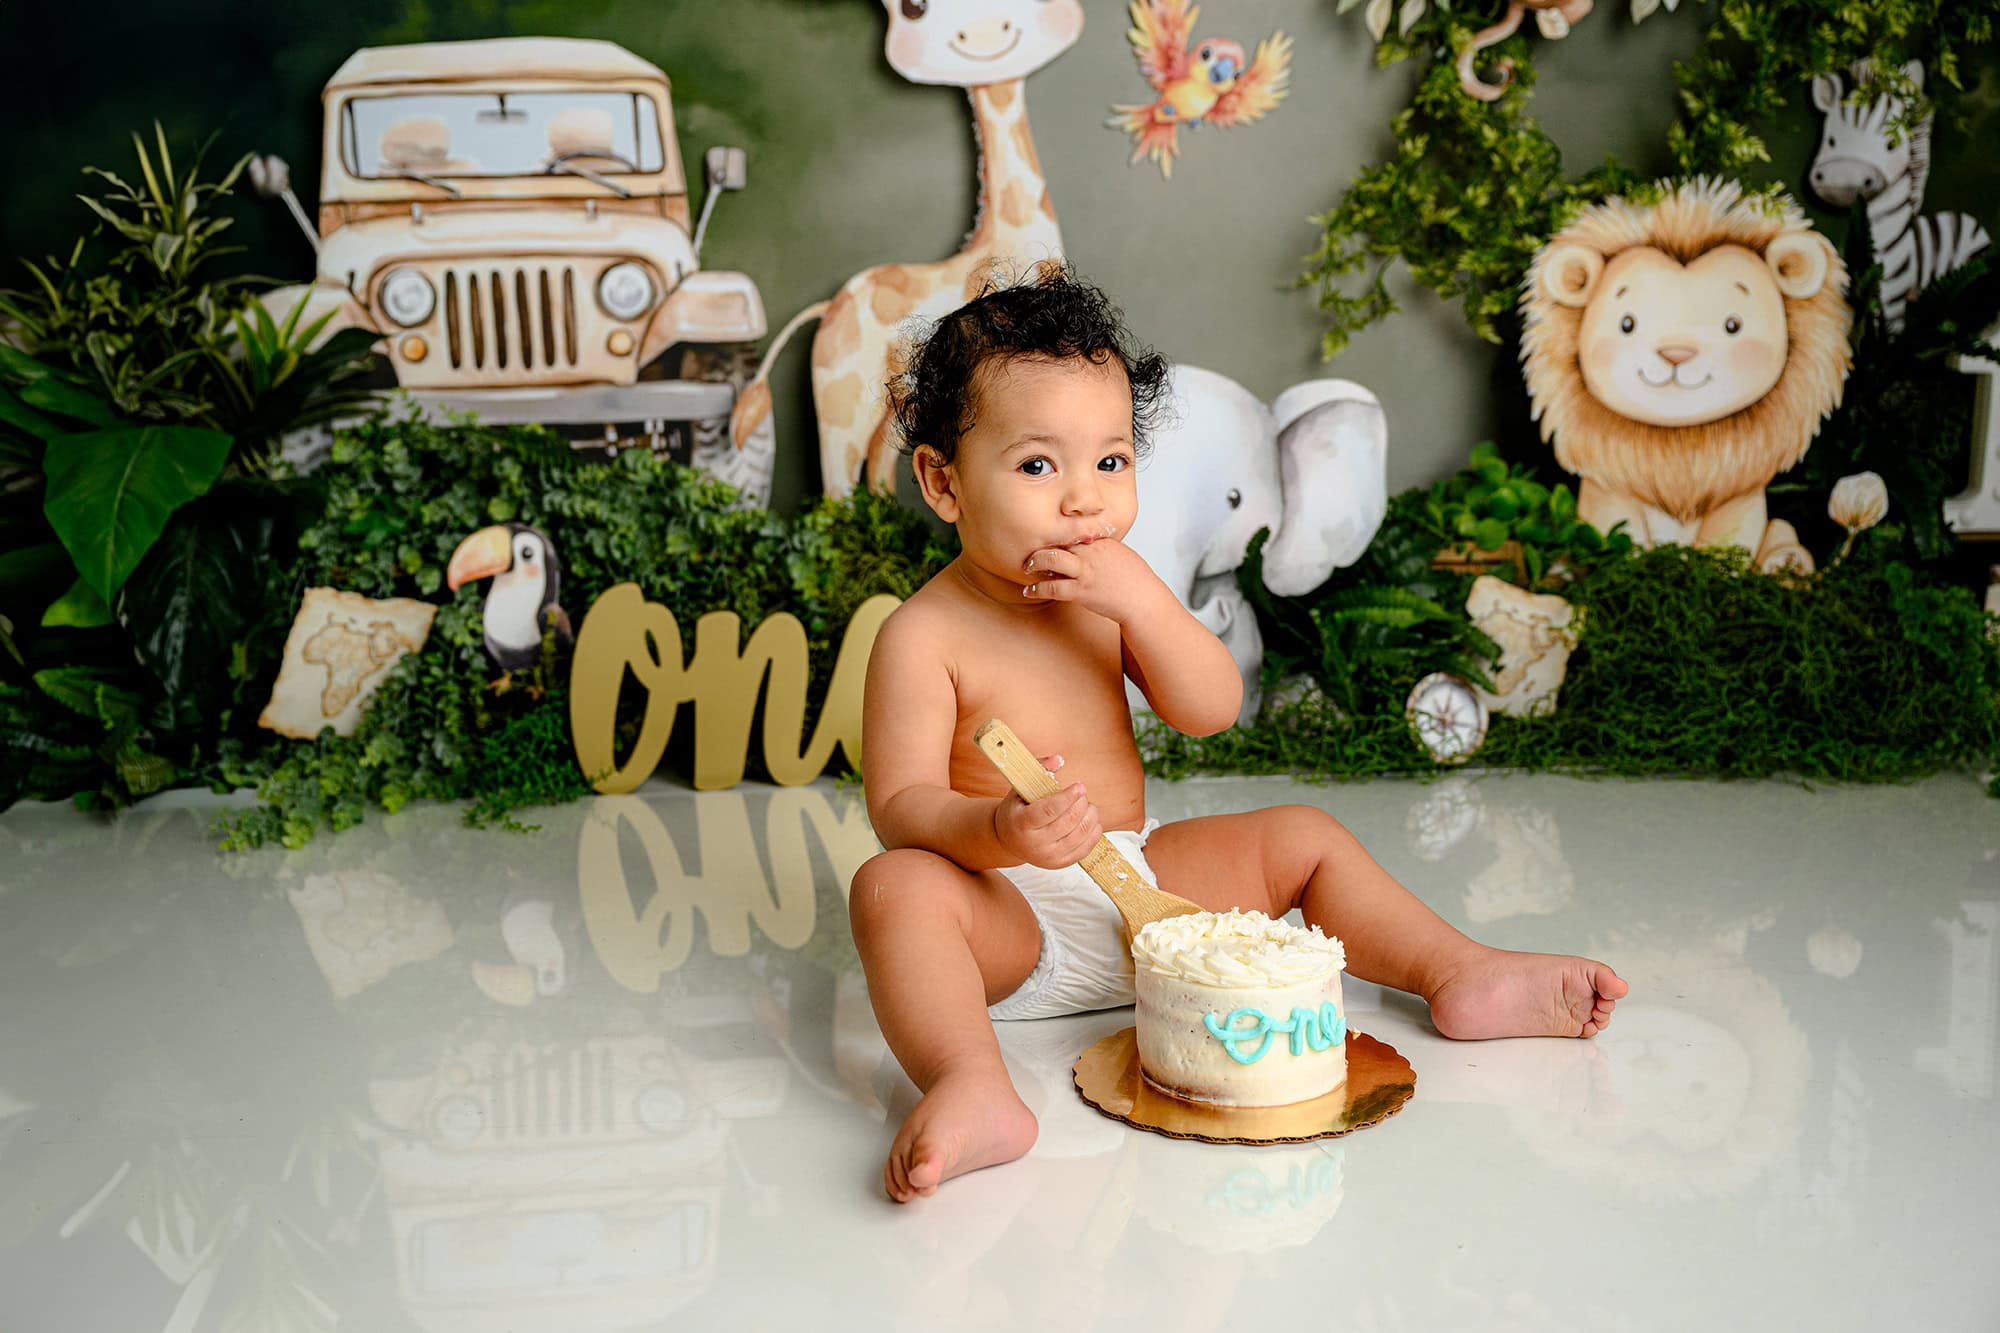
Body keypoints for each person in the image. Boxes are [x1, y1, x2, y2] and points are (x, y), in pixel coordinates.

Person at [848, 264, 1628, 1203]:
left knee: (1303, 836)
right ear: (944, 482)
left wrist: (1146, 603)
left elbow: (1210, 708)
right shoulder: (923, 635)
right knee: (894, 887)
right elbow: (901, 806)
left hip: (1144, 888)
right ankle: (970, 1080)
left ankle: (1457, 970)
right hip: (1007, 915)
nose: (1084, 500)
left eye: (1111, 462)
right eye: (1038, 466)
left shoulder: (1110, 596)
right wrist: (999, 831)